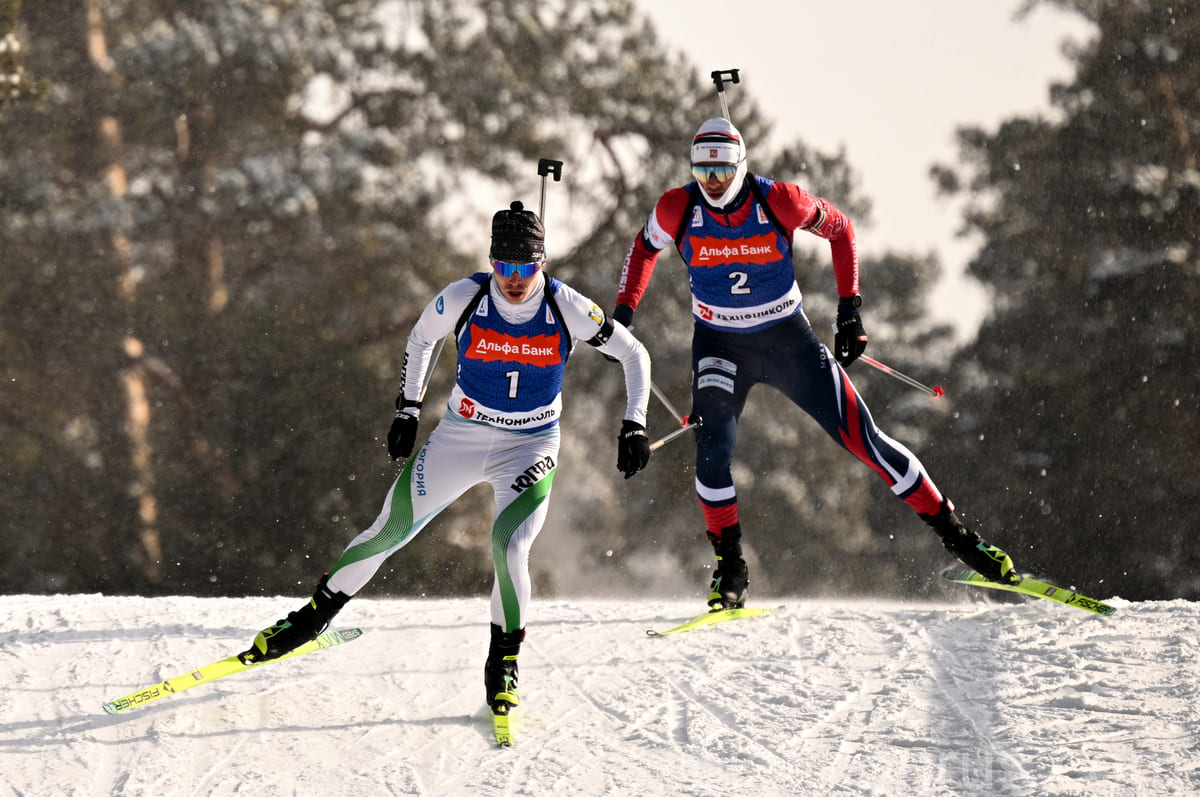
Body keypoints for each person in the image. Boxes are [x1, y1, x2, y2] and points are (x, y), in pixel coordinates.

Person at [242, 200, 653, 717]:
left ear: (542, 263)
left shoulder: (566, 306)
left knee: (509, 547)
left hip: (529, 446)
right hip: (462, 436)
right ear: (491, 262)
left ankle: (503, 662)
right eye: (503, 266)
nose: (514, 280)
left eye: (525, 267)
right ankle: (310, 618)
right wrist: (407, 409)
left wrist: (634, 423)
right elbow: (420, 339)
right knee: (389, 529)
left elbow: (634, 354)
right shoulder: (465, 296)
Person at [612, 117, 1019, 611]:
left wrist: (850, 311)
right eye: (702, 172)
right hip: (720, 345)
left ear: (742, 166)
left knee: (865, 441)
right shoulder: (677, 207)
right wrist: (624, 315)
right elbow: (642, 250)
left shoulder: (780, 200)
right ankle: (730, 567)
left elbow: (841, 229)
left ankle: (960, 538)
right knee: (712, 453)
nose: (713, 183)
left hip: (788, 341)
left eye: (722, 172)